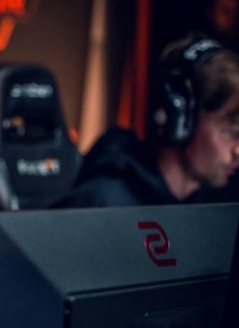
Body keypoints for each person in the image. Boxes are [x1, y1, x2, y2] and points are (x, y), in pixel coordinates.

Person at [56, 34, 239, 208]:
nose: (237, 151)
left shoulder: (200, 210)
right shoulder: (102, 202)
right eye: (233, 133)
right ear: (182, 120)